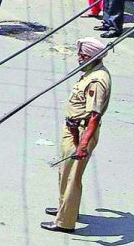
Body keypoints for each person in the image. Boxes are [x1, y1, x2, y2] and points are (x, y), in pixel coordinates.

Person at [43, 38, 111, 233]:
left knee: (72, 176)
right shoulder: (90, 72)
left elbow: (94, 117)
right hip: (73, 129)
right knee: (65, 171)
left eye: (84, 56)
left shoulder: (96, 81)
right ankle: (66, 207)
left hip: (81, 133)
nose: (79, 59)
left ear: (95, 57)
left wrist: (82, 145)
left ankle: (65, 221)